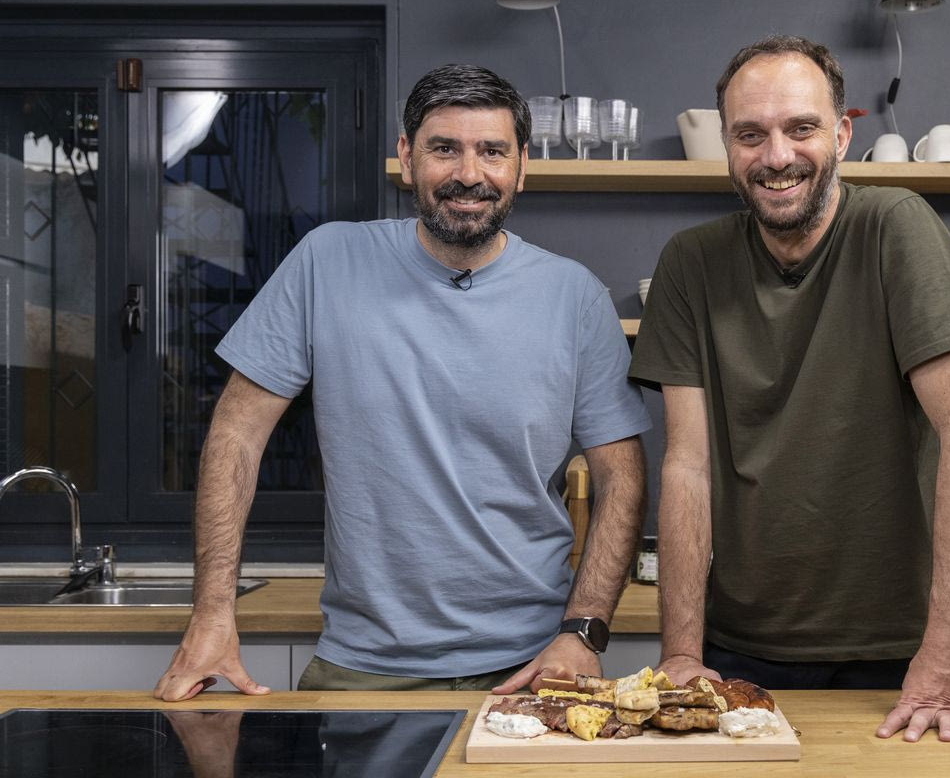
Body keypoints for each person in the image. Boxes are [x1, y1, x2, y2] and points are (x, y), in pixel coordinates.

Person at [154, 64, 650, 701]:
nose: (468, 173)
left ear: (522, 165)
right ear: (407, 157)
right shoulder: (326, 261)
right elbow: (236, 437)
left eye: (492, 151)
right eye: (444, 149)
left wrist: (582, 632)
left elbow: (622, 477)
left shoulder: (574, 296)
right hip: (362, 666)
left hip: (532, 668)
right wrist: (211, 614)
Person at [628, 36, 950, 743]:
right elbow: (686, 465)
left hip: (899, 654)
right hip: (736, 648)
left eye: (800, 128)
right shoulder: (690, 262)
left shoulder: (896, 226)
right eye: (750, 134)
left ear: (842, 135)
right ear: (727, 146)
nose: (777, 156)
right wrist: (680, 651)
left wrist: (949, 651)